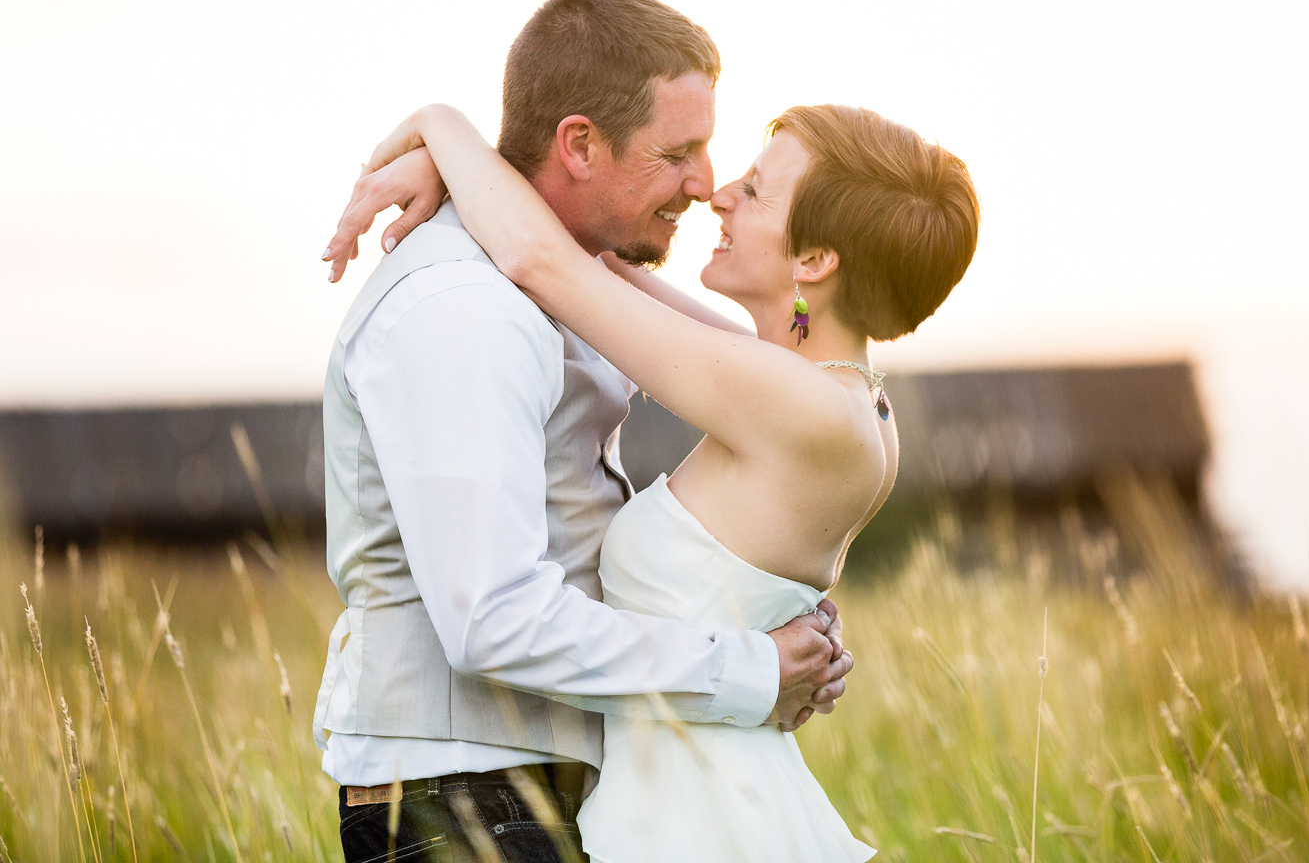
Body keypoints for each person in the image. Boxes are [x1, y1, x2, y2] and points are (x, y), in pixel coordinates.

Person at [323, 94, 980, 857]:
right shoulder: (830, 392)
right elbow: (588, 256)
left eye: (757, 190)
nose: (718, 193)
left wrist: (439, 125)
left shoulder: (798, 404)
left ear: (814, 262)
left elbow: (548, 265)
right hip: (691, 786)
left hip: (699, 810)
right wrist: (463, 169)